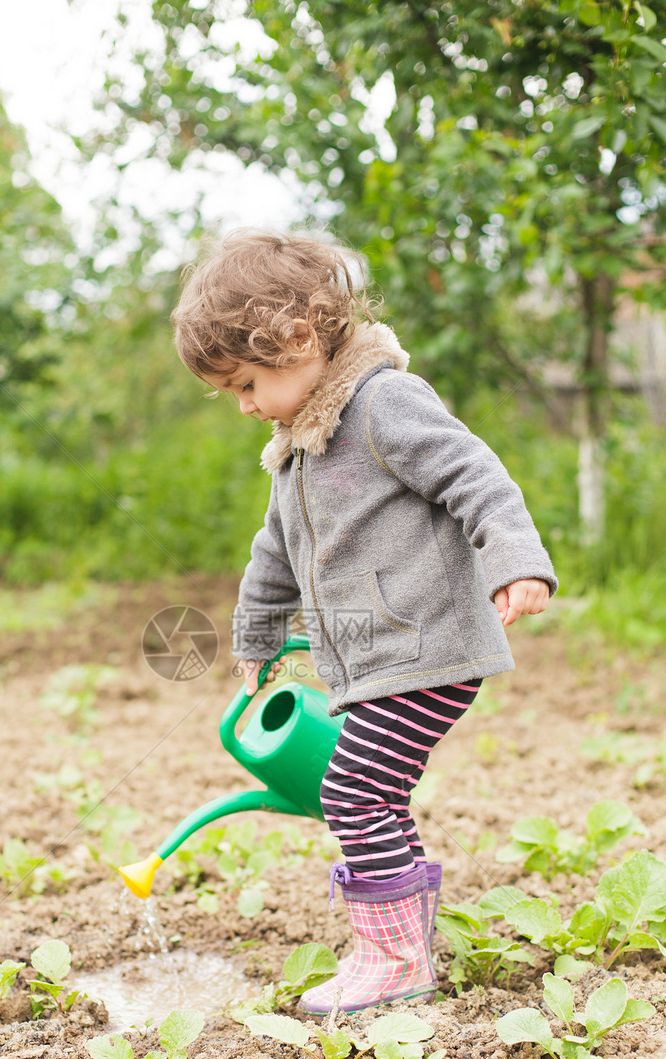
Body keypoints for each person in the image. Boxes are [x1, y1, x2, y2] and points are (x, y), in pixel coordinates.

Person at [171, 230, 557, 1015]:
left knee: (353, 793)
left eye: (248, 383)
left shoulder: (382, 404)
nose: (245, 406)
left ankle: (392, 957)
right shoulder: (298, 445)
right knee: (368, 791)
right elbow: (273, 552)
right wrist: (256, 637)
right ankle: (403, 946)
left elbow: (474, 474)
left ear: (298, 338)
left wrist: (515, 559)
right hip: (377, 658)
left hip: (428, 649)